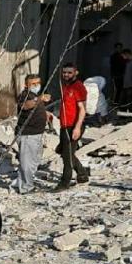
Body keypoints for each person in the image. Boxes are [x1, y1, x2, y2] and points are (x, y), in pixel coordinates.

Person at [14, 74, 52, 194]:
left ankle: (27, 181)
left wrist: (45, 114)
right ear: (26, 85)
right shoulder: (25, 95)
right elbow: (26, 105)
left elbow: (35, 108)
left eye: (38, 83)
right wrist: (39, 99)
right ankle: (26, 187)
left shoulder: (35, 95)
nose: (36, 86)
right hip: (27, 135)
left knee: (35, 160)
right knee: (27, 163)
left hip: (37, 134)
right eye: (33, 84)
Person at [56, 63, 89, 191]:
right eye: (64, 72)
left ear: (76, 73)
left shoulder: (78, 87)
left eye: (70, 72)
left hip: (73, 126)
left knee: (67, 156)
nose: (66, 75)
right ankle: (82, 173)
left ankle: (65, 183)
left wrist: (77, 127)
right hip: (64, 125)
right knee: (64, 152)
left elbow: (82, 109)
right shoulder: (66, 86)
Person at [109, 43, 126, 110]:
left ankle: (120, 102)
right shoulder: (113, 56)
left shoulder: (123, 55)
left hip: (123, 75)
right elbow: (112, 67)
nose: (119, 49)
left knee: (122, 89)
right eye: (118, 47)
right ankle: (115, 103)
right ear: (116, 48)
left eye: (120, 47)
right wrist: (112, 76)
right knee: (117, 89)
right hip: (116, 75)